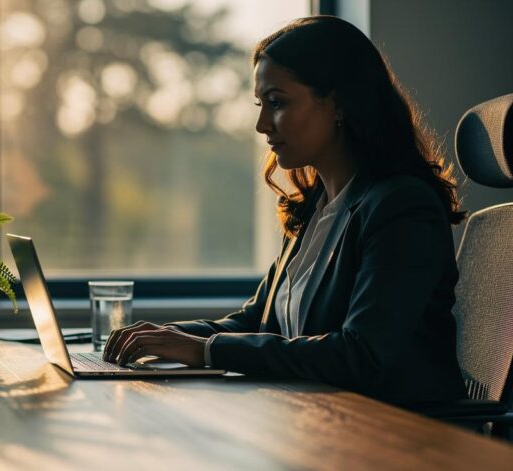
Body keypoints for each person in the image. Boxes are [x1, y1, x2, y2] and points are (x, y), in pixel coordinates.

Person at [102, 15, 468, 405]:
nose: (261, 124)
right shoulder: (314, 210)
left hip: (399, 440)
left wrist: (205, 351)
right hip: (317, 425)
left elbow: (360, 355)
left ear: (339, 103)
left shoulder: (401, 208)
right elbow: (256, 320)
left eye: (277, 103)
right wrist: (163, 337)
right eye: (261, 104)